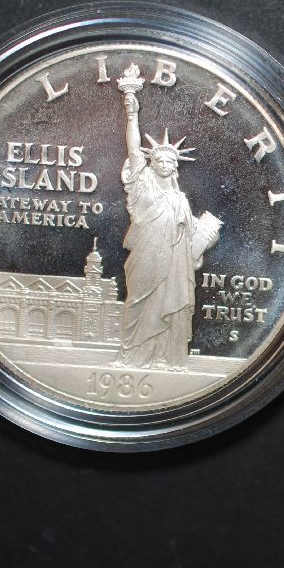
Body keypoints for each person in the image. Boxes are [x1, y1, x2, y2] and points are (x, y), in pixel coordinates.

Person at [115, 78, 217, 370]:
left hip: (174, 264)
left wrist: (207, 237)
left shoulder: (180, 199)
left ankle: (163, 357)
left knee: (169, 305)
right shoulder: (142, 185)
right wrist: (132, 113)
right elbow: (134, 149)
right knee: (138, 302)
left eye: (169, 162)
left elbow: (190, 234)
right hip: (146, 257)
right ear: (151, 163)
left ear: (175, 166)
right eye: (158, 160)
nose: (163, 164)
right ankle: (133, 357)